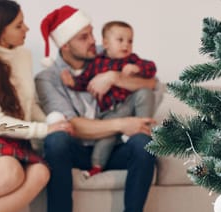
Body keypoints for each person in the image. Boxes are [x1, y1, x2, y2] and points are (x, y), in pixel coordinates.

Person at [35, 5, 159, 212]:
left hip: (112, 147)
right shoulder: (48, 78)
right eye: (84, 37)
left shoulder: (106, 55)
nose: (93, 41)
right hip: (76, 149)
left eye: (92, 33)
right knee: (56, 139)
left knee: (144, 144)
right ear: (65, 45)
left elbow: (152, 83)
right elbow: (73, 126)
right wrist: (124, 123)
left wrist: (114, 77)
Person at [0, 0, 73, 212]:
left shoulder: (23, 56)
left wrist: (52, 124)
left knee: (41, 173)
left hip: (18, 136)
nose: (26, 29)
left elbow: (29, 104)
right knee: (10, 173)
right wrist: (43, 130)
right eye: (18, 25)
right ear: (1, 32)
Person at [60, 20, 157, 177]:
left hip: (128, 105)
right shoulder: (96, 63)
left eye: (130, 41)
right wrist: (72, 83)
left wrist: (137, 68)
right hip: (110, 112)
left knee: (145, 93)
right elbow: (84, 81)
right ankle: (97, 166)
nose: (126, 45)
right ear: (105, 43)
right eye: (120, 40)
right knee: (106, 137)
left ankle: (143, 128)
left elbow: (151, 68)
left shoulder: (132, 59)